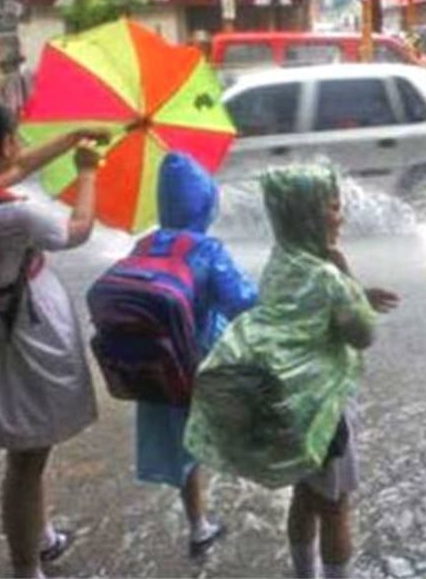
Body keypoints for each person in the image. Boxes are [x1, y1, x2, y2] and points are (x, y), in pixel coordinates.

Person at [187, 165, 399, 578]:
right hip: (320, 412)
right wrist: (346, 274)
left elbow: (307, 311)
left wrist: (346, 282)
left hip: (285, 409)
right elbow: (362, 334)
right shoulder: (326, 276)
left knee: (304, 496)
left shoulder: (281, 259)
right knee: (336, 507)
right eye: (333, 207)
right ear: (309, 215)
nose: (342, 216)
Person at [0, 95, 110, 577]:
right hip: (23, 342)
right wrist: (87, 172)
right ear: (6, 143)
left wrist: (70, 138)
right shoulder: (11, 216)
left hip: (3, 329)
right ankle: (25, 567)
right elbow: (76, 231)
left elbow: (10, 172)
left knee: (31, 451)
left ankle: (41, 536)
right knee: (27, 458)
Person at [133, 152, 258, 556]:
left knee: (181, 438)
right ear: (205, 201)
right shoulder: (206, 249)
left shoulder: (145, 243)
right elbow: (242, 301)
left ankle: (198, 524)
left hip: (160, 362)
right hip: (204, 359)